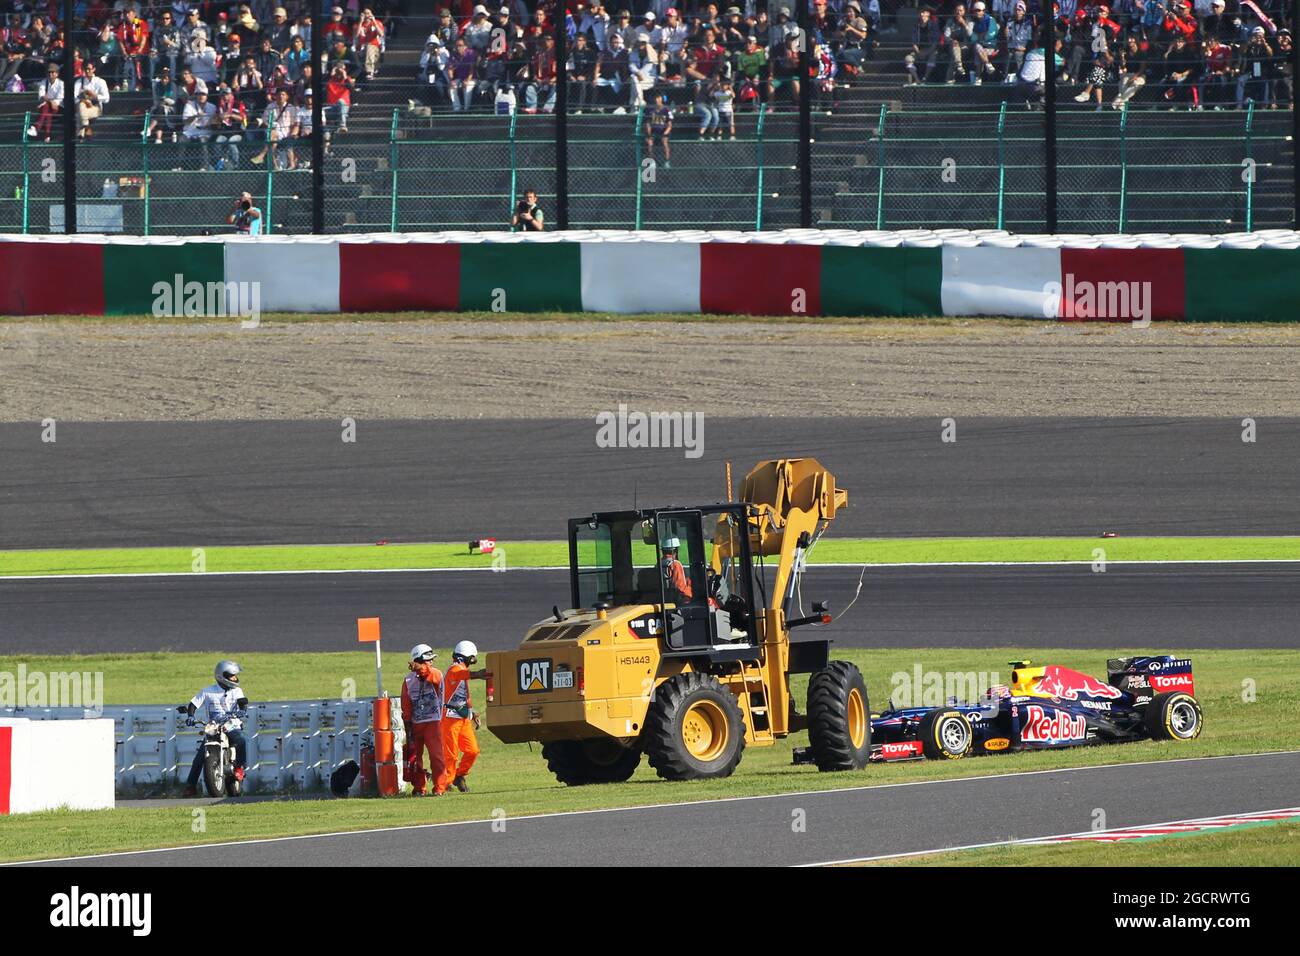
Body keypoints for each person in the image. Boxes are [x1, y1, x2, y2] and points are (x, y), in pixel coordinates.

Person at [180, 660, 248, 797]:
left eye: (235, 676)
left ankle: (239, 767)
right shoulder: (207, 691)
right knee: (199, 758)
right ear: (221, 676)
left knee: (241, 740)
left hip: (232, 724)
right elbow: (193, 704)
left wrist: (243, 710)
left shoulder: (237, 691)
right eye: (232, 676)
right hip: (213, 727)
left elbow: (242, 703)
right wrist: (190, 716)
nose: (235, 678)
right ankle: (191, 786)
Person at [439, 641, 488, 794]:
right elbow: (460, 674)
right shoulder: (455, 669)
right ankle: (445, 784)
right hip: (450, 719)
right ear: (467, 656)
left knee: (472, 750)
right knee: (451, 754)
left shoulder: (462, 670)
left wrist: (472, 713)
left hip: (464, 718)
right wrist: (477, 674)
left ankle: (459, 775)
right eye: (472, 658)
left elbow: (464, 695)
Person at [401, 643, 445, 797]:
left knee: (436, 756)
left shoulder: (437, 674)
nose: (431, 662)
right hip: (415, 724)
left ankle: (439, 787)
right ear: (419, 660)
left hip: (433, 722)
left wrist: (420, 668)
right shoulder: (407, 681)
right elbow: (406, 705)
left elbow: (430, 675)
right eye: (428, 660)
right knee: (414, 758)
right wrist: (408, 727)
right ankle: (420, 787)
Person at [661, 536, 693, 603]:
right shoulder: (675, 564)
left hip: (663, 597)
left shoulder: (659, 564)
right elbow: (680, 587)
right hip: (674, 599)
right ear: (675, 551)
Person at [645, 91, 672, 168]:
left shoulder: (667, 110)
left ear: (661, 99)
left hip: (664, 132)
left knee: (664, 142)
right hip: (653, 132)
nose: (657, 100)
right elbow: (648, 124)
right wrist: (649, 134)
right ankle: (652, 162)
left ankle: (667, 161)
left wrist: (665, 134)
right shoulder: (650, 111)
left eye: (658, 98)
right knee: (649, 143)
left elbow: (669, 125)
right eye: (655, 98)